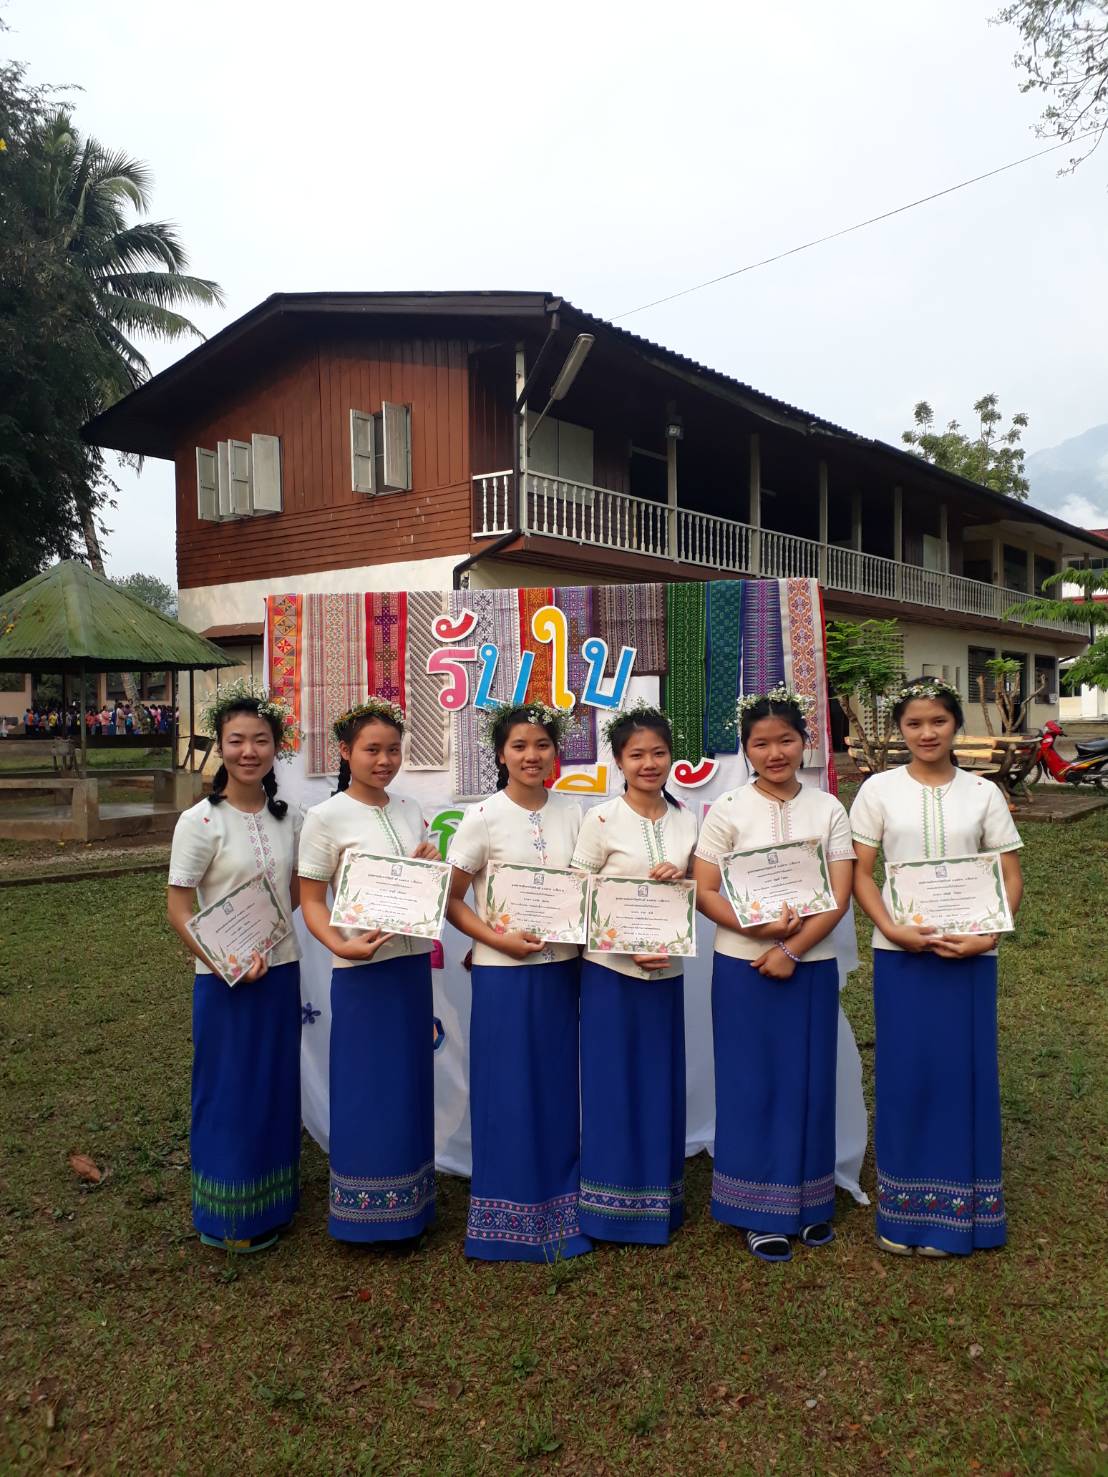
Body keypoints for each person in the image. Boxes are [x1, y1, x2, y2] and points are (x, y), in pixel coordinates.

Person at [850, 677, 1024, 1258]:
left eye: (939, 722)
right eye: (914, 723)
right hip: (901, 955)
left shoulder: (983, 793)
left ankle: (962, 1214)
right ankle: (903, 1215)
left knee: (961, 1074)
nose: (927, 733)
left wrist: (987, 936)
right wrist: (891, 928)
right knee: (906, 1074)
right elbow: (861, 874)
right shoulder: (877, 790)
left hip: (970, 955)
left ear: (955, 725)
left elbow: (1010, 876)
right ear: (900, 729)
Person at [692, 686, 856, 1263]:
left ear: (805, 742)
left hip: (810, 964)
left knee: (808, 1079)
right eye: (760, 743)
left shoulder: (828, 808)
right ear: (746, 749)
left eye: (786, 739)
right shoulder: (728, 810)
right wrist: (759, 930)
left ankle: (810, 1202)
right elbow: (704, 890)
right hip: (743, 964)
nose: (775, 752)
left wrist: (792, 947)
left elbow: (839, 894)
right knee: (750, 1082)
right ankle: (756, 1210)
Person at [446, 702, 591, 1263]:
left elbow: (590, 890)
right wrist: (495, 939)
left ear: (557, 752)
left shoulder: (577, 813)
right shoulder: (482, 817)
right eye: (519, 746)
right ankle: (502, 1215)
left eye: (542, 745)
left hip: (563, 969)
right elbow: (452, 900)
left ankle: (564, 1206)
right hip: (503, 975)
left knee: (557, 1084)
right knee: (506, 1086)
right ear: (501, 754)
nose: (532, 756)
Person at [166, 683, 302, 1254]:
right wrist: (227, 959)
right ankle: (227, 1216)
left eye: (261, 740)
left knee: (274, 1084)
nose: (249, 751)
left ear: (276, 747)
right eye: (237, 740)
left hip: (282, 970)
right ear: (220, 746)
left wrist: (264, 937)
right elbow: (178, 907)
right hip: (224, 981)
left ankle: (274, 1202)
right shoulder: (200, 822)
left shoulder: (288, 818)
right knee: (227, 1090)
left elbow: (296, 893)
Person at [298, 698, 440, 1245]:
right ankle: (364, 1213)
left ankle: (412, 1205)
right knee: (366, 1085)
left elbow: (416, 886)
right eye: (371, 750)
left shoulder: (408, 808)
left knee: (409, 1081)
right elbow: (312, 899)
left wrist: (428, 866)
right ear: (345, 751)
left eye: (393, 750)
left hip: (410, 967)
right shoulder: (325, 817)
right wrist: (340, 945)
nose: (384, 760)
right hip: (361, 970)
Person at [570, 703, 697, 1246]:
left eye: (659, 753)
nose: (649, 764)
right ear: (619, 761)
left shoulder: (688, 819)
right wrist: (625, 950)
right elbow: (577, 898)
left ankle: (658, 1200)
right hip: (610, 974)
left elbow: (692, 892)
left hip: (665, 973)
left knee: (659, 1081)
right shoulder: (600, 820)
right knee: (612, 1083)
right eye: (637, 755)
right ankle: (608, 1207)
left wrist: (682, 874)